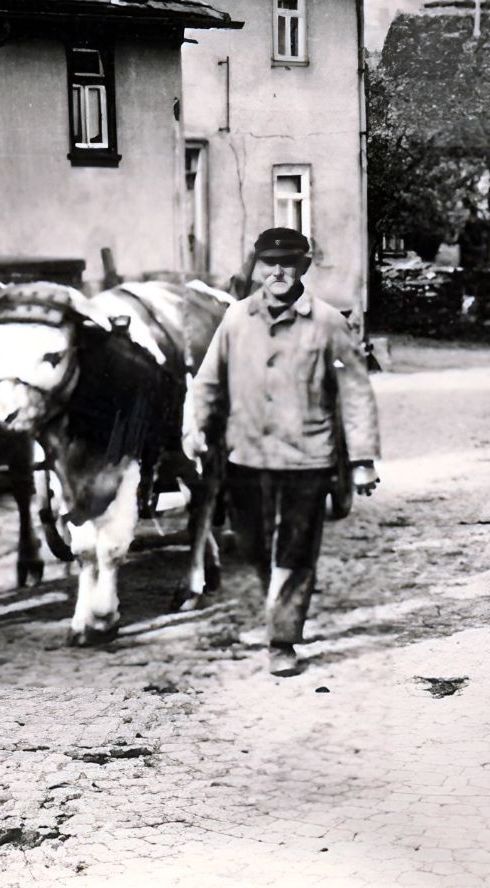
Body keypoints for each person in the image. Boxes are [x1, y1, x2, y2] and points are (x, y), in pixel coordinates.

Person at [184, 227, 381, 677]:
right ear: (257, 268)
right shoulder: (235, 319)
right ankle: (279, 602)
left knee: (295, 551)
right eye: (269, 262)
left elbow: (355, 391)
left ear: (302, 269)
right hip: (246, 455)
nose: (277, 271)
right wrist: (195, 428)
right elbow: (209, 381)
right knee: (252, 544)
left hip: (307, 457)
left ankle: (282, 640)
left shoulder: (329, 322)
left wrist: (363, 460)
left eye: (287, 263)